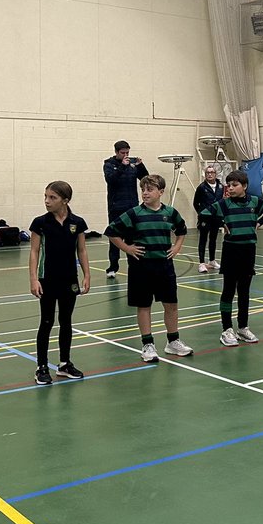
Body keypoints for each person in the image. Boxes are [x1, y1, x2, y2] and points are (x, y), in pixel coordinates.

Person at [106, 174, 193, 362]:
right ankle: (147, 344)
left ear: (161, 192)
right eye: (143, 189)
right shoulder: (134, 213)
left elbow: (182, 230)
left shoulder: (170, 212)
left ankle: (173, 341)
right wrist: (128, 248)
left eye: (150, 189)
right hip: (141, 267)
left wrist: (177, 247)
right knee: (144, 305)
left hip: (164, 266)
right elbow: (111, 231)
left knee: (171, 304)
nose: (145, 193)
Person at [28, 181, 91, 385]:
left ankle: (64, 364)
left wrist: (87, 275)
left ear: (65, 200)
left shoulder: (77, 223)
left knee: (66, 321)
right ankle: (42, 366)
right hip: (47, 280)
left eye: (52, 197)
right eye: (45, 196)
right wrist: (34, 279)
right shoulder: (40, 223)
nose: (47, 201)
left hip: (69, 280)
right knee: (46, 322)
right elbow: (34, 251)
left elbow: (81, 250)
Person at [213, 168, 263, 346]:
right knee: (228, 290)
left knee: (244, 291)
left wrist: (258, 222)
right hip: (231, 251)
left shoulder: (255, 202)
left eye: (235, 185)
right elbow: (205, 215)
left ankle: (242, 327)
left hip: (248, 250)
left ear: (245, 186)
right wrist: (222, 223)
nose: (230, 188)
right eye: (229, 185)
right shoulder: (224, 204)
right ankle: (226, 329)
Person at [103, 140, 148, 278]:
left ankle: (134, 265)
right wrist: (122, 167)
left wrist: (141, 166)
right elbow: (111, 180)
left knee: (133, 238)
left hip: (132, 207)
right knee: (115, 238)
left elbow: (145, 178)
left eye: (127, 152)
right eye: (123, 153)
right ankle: (112, 267)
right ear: (116, 152)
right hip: (116, 207)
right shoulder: (109, 164)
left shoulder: (132, 163)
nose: (125, 155)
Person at [193, 164, 224, 273]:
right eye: (208, 173)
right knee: (203, 239)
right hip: (205, 219)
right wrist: (202, 214)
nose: (210, 174)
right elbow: (195, 203)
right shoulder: (201, 187)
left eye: (212, 172)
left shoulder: (221, 187)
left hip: (216, 218)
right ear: (205, 175)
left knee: (213, 239)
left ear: (215, 174)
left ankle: (212, 260)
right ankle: (201, 263)